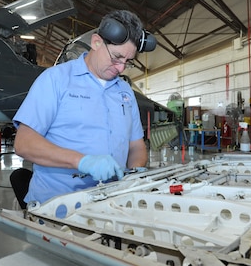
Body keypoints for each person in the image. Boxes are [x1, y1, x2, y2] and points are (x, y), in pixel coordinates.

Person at [13, 10, 156, 206]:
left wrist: (134, 172)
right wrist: (81, 161)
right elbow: (24, 143)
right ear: (96, 42)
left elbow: (136, 145)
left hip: (111, 202)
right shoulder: (56, 79)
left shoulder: (125, 92)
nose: (121, 68)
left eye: (128, 62)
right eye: (116, 57)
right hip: (57, 205)